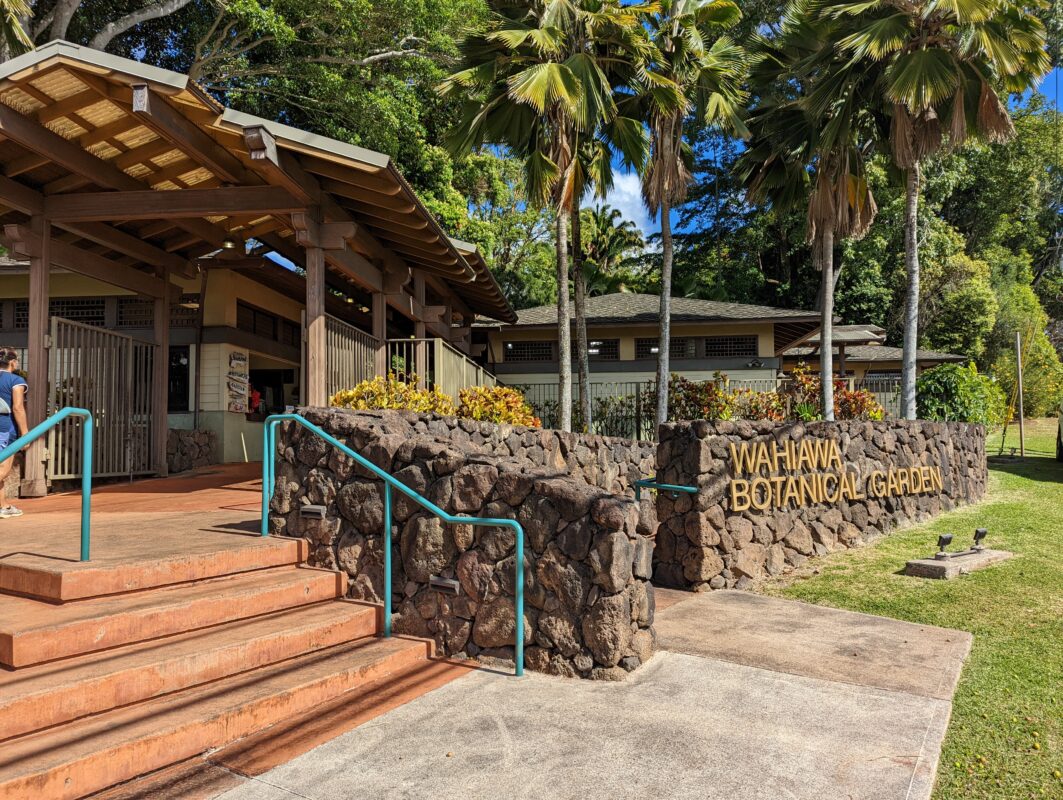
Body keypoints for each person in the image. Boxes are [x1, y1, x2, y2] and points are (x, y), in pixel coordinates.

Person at [0, 348, 29, 519]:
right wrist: (25, 434)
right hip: (4, 429)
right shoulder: (16, 380)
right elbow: (17, 407)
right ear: (12, 362)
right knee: (3, 469)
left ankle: (3, 506)